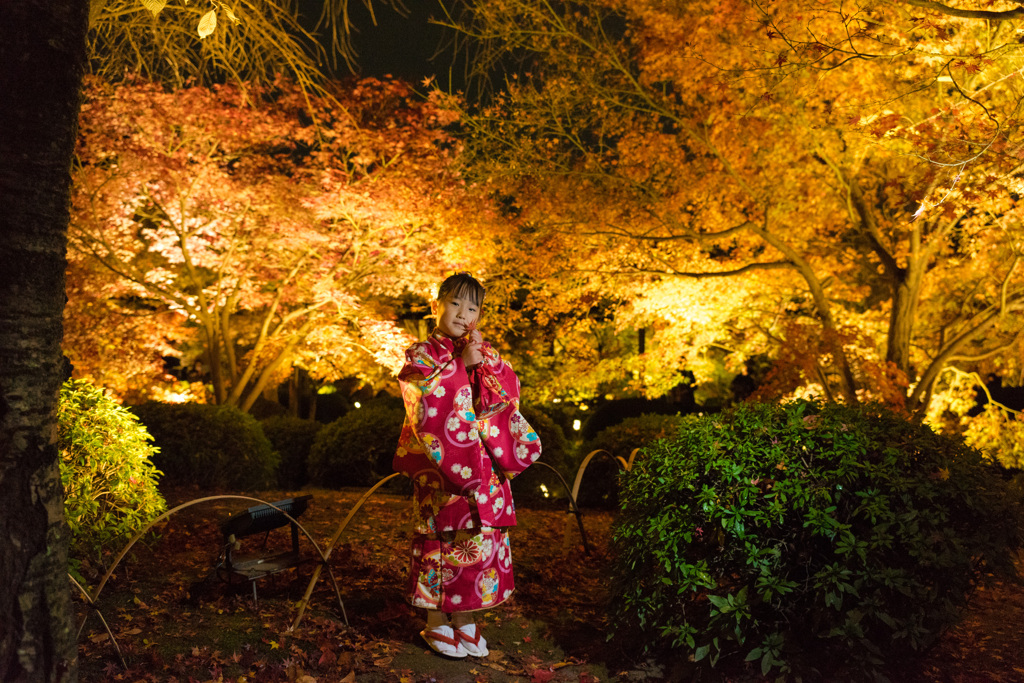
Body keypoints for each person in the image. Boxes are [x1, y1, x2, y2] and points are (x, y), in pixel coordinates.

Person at [392, 272, 542, 658]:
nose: (463, 313)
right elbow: (423, 403)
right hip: (444, 470)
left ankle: (465, 617)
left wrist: (482, 367)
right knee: (444, 543)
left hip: (483, 467)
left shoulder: (485, 351)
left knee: (478, 541)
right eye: (455, 302)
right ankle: (435, 622)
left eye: (472, 306)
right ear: (435, 305)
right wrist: (460, 365)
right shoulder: (421, 355)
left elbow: (509, 394)